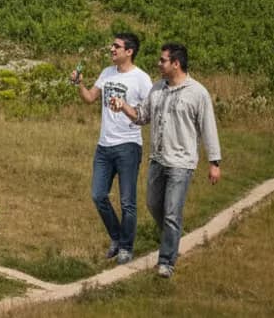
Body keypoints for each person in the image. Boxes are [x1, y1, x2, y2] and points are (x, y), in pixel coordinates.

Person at [110, 42, 221, 279]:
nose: (158, 64)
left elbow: (208, 127)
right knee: (153, 204)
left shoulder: (198, 93)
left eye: (163, 60)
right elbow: (142, 116)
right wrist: (123, 107)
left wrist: (214, 162)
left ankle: (166, 261)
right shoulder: (158, 88)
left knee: (171, 212)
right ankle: (173, 236)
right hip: (158, 159)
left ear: (176, 64)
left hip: (181, 163)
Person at [71, 32, 152, 264]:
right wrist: (79, 83)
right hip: (104, 146)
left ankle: (126, 247)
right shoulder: (107, 73)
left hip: (128, 145)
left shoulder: (141, 79)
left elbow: (147, 116)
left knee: (128, 201)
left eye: (116, 46)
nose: (111, 49)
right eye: (112, 45)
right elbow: (89, 98)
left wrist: (125, 107)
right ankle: (116, 238)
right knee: (98, 195)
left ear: (129, 51)